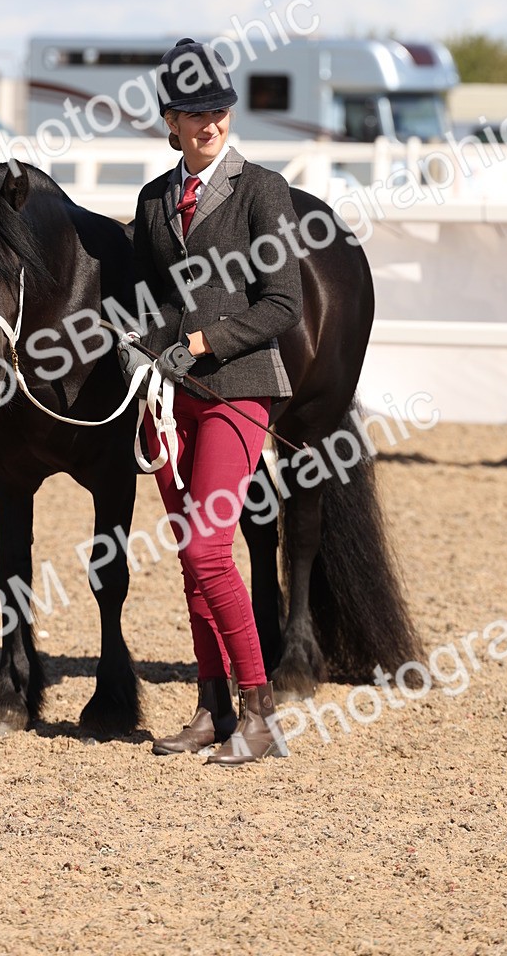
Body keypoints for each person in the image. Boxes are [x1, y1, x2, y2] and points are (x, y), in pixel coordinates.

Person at [123, 37, 303, 766]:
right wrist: (138, 347)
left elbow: (282, 302)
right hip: (169, 400)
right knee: (189, 560)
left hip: (240, 389)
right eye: (195, 113)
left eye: (219, 111)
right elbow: (146, 301)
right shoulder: (154, 199)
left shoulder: (262, 190)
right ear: (169, 119)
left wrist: (199, 345)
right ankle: (210, 708)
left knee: (209, 549)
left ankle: (260, 717)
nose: (211, 124)